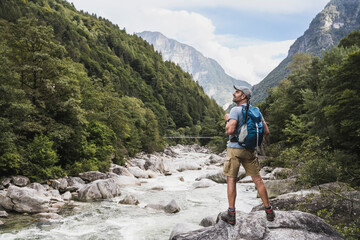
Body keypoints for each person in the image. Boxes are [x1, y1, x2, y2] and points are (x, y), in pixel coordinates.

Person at [221, 85, 275, 225]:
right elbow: (266, 131)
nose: (234, 93)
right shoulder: (256, 110)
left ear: (243, 96)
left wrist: (227, 119)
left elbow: (230, 130)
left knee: (231, 179)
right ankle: (269, 211)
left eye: (237, 92)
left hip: (235, 150)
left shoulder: (235, 110)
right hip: (250, 150)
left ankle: (231, 214)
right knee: (258, 180)